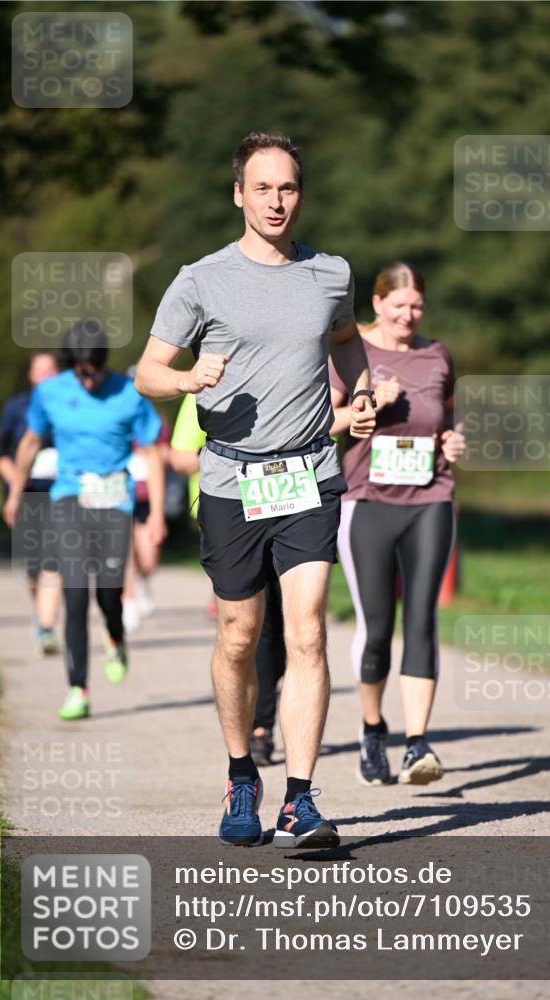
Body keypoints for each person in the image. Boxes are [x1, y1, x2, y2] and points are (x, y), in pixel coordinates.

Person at [135, 130, 376, 847]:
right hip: (231, 478)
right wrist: (187, 378)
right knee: (239, 634)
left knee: (306, 632)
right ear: (237, 193)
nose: (276, 201)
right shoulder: (200, 280)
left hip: (308, 472)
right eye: (262, 187)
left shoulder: (330, 274)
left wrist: (361, 391)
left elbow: (345, 340)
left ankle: (300, 800)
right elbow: (147, 371)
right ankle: (242, 774)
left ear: (301, 194)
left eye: (288, 187)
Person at [329, 262, 465, 787]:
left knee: (422, 618)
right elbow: (324, 420)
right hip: (367, 501)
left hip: (431, 498)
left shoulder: (438, 355)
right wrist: (365, 407)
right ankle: (371, 727)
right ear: (377, 304)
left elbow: (448, 412)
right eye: (398, 306)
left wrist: (453, 438)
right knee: (378, 627)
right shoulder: (352, 352)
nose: (408, 315)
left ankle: (417, 744)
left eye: (417, 307)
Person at [3, 322, 166, 721]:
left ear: (104, 363)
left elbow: (152, 454)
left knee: (108, 593)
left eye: (94, 371)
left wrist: (157, 515)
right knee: (74, 592)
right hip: (69, 498)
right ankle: (78, 688)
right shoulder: (50, 392)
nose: (88, 380)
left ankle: (115, 636)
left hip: (114, 502)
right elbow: (29, 442)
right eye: (80, 372)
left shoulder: (129, 393)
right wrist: (15, 493)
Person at [170, 392, 286, 765]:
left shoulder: (289, 377)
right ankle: (259, 727)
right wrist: (234, 457)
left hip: (287, 505)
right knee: (251, 628)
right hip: (230, 512)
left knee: (285, 625)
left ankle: (264, 712)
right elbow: (179, 456)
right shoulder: (206, 387)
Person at [0, 351, 62, 653]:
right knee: (33, 566)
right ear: (31, 375)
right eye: (40, 371)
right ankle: (41, 610)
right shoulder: (16, 407)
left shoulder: (69, 404)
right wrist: (16, 482)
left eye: (51, 370)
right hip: (25, 493)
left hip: (60, 491)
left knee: (54, 559)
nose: (45, 376)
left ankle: (46, 627)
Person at [123, 366, 171, 633]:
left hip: (146, 494)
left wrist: (151, 455)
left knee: (148, 559)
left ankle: (141, 582)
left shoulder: (156, 420)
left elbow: (168, 453)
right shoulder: (116, 415)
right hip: (121, 493)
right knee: (124, 548)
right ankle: (128, 598)